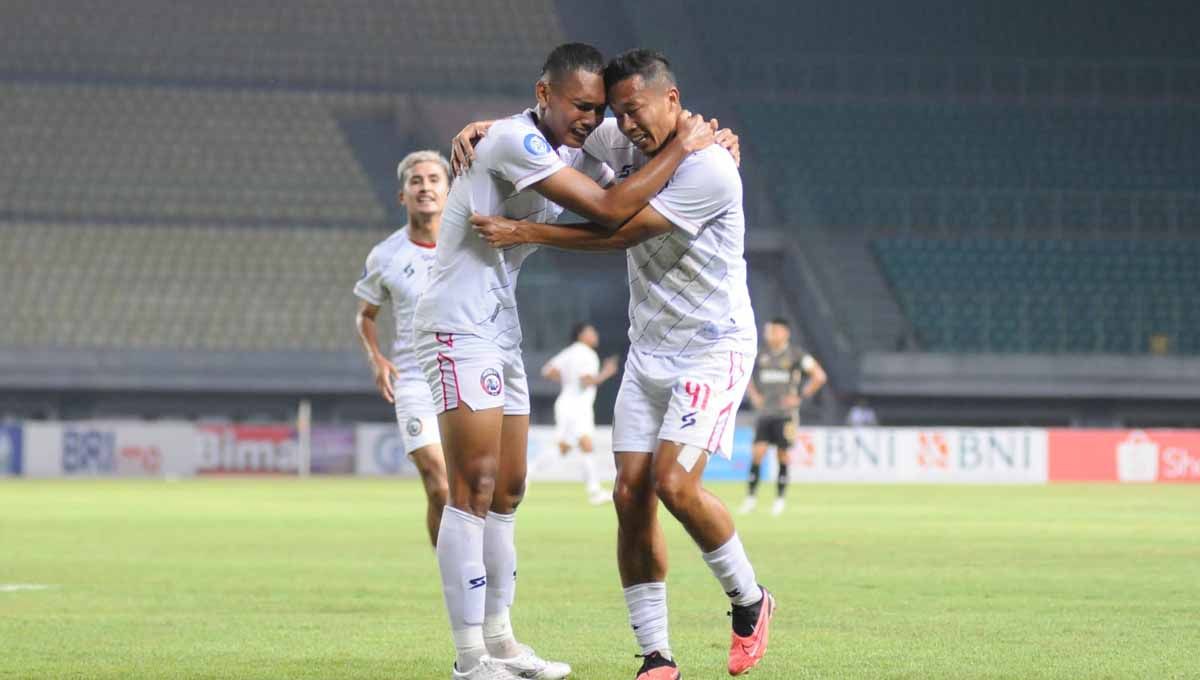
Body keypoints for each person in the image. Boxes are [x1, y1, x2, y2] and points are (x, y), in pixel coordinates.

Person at [410, 42, 720, 680]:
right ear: (544, 94)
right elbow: (609, 209)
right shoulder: (511, 142)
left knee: (510, 489)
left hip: (499, 325)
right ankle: (470, 660)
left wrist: (709, 154)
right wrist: (688, 151)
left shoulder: (563, 148)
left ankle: (501, 642)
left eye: (597, 108)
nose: (591, 118)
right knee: (471, 489)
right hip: (455, 325)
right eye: (580, 105)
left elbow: (629, 201)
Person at [468, 49, 773, 680]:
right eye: (618, 113)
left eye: (635, 111)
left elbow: (620, 229)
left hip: (712, 348)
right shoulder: (621, 135)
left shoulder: (712, 168)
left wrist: (530, 233)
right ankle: (656, 655)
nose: (624, 125)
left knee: (675, 485)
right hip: (648, 351)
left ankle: (750, 600)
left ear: (671, 98)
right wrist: (487, 128)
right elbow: (557, 123)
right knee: (629, 495)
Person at [354, 150, 452, 547]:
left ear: (448, 190)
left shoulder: (472, 242)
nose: (425, 187)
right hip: (414, 380)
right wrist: (376, 358)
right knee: (439, 484)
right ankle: (454, 585)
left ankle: (480, 580)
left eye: (433, 179)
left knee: (477, 490)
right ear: (402, 196)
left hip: (464, 375)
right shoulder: (386, 256)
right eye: (416, 181)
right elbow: (366, 315)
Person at [740, 317, 827, 517]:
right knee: (758, 454)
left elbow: (819, 376)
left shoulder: (796, 355)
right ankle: (751, 498)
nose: (769, 334)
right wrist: (754, 396)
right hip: (764, 413)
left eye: (773, 331)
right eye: (768, 331)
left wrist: (800, 396)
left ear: (784, 333)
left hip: (786, 415)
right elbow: (745, 375)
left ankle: (779, 500)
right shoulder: (760, 354)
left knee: (783, 456)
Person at [541, 322, 619, 504]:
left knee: (566, 447)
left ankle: (526, 474)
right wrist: (606, 373)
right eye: (591, 332)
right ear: (581, 335)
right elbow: (586, 380)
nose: (595, 335)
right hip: (577, 406)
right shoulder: (588, 355)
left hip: (567, 403)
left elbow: (547, 371)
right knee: (582, 444)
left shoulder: (570, 352)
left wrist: (567, 382)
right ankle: (595, 492)